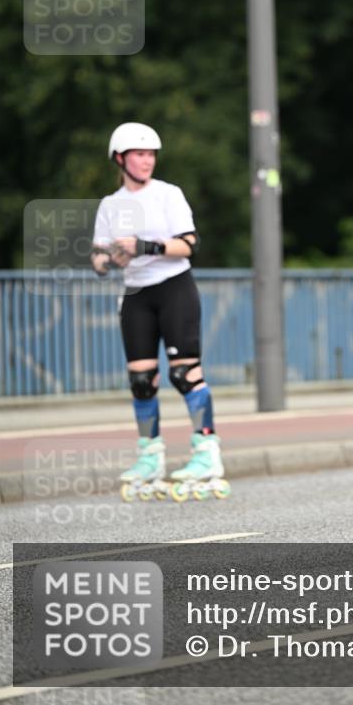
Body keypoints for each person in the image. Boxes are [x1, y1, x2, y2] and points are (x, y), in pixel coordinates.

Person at [91, 122, 230, 502]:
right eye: (139, 154)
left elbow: (189, 244)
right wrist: (111, 257)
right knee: (141, 380)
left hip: (174, 288)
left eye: (151, 154)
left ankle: (206, 452)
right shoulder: (110, 205)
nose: (147, 160)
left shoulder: (168, 194)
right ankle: (150, 457)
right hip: (136, 294)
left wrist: (144, 247)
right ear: (120, 159)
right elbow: (98, 259)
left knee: (185, 373)